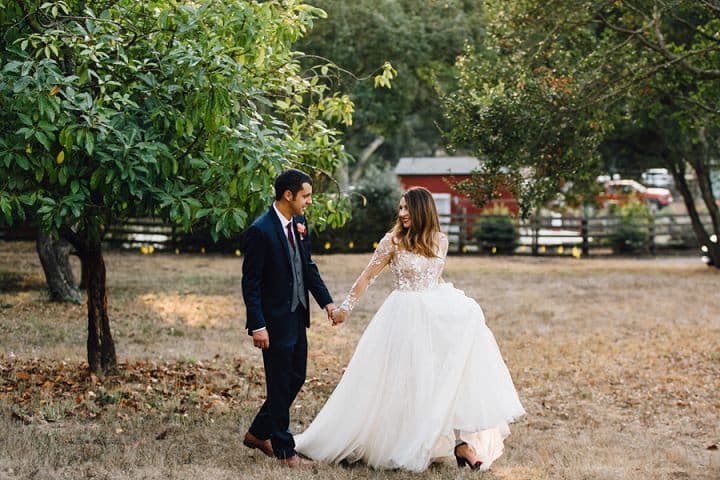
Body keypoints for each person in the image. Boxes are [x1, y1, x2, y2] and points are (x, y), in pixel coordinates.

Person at [294, 186, 525, 472]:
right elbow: (367, 276)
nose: (402, 213)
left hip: (435, 315)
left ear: (422, 210)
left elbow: (435, 278)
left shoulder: (440, 241)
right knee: (408, 381)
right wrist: (344, 309)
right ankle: (408, 441)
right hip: (403, 316)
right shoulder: (392, 242)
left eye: (407, 208)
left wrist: (456, 309)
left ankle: (461, 444)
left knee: (446, 377)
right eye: (400, 208)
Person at [240, 168, 335, 468]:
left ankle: (257, 433)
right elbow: (250, 282)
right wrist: (258, 325)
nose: (309, 201)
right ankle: (284, 450)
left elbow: (307, 267)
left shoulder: (300, 223)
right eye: (306, 196)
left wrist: (327, 302)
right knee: (279, 382)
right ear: (288, 195)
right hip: (273, 321)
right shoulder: (261, 230)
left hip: (297, 315)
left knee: (296, 377)